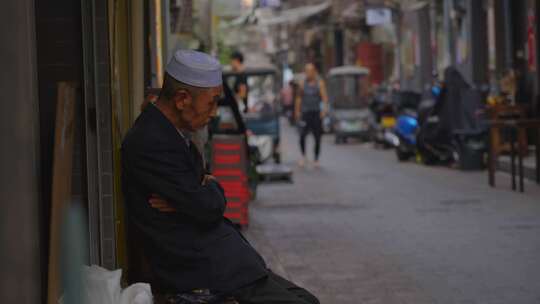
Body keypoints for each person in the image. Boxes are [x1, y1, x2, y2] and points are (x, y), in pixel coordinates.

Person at [122, 49, 319, 304]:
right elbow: (207, 207)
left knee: (307, 299)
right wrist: (202, 191)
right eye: (211, 102)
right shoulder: (151, 140)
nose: (214, 112)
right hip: (202, 269)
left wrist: (196, 193)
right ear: (182, 99)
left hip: (226, 260)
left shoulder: (174, 132)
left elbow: (204, 196)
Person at [295, 63, 329, 168]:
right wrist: (297, 111)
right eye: (306, 71)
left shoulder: (320, 83)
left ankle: (316, 159)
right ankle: (303, 156)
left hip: (316, 113)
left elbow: (324, 98)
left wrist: (324, 110)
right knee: (302, 136)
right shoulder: (302, 83)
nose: (308, 73)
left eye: (310, 71)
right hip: (305, 113)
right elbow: (299, 98)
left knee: (317, 137)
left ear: (314, 72)